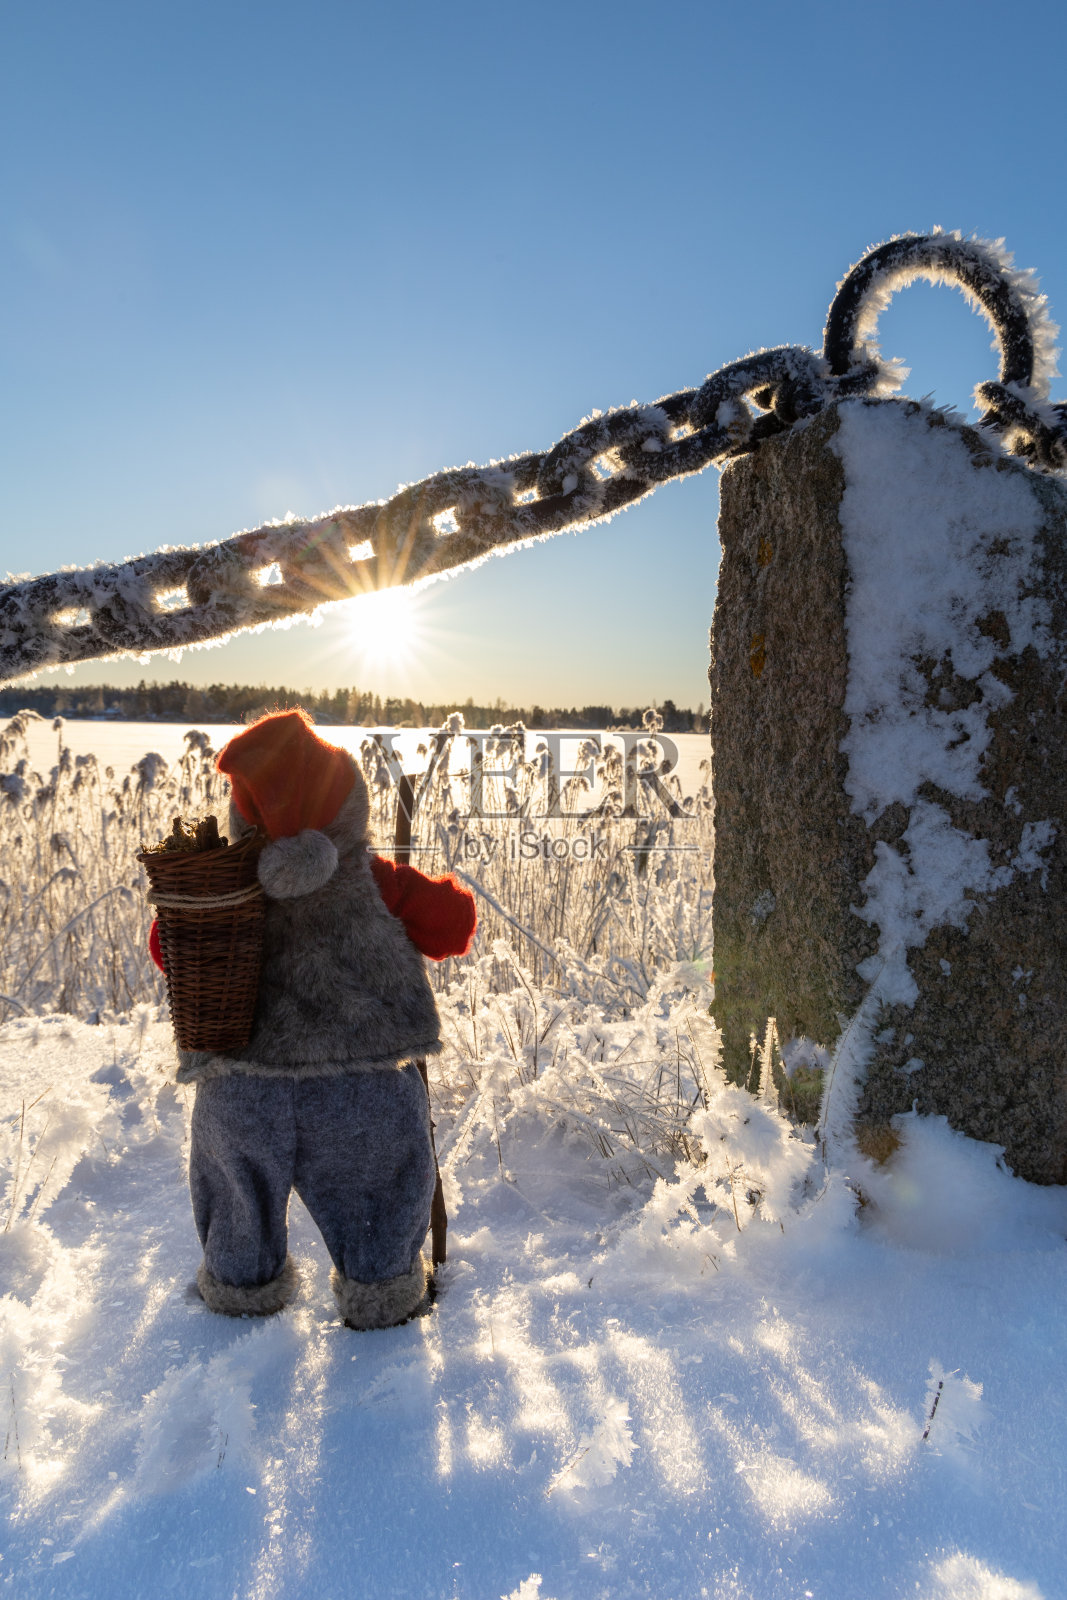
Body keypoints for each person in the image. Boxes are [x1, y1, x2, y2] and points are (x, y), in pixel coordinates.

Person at [150, 710, 476, 1329]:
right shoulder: (379, 881)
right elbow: (455, 926)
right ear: (349, 802)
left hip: (242, 1087)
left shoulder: (224, 891)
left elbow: (167, 948)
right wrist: (425, 889)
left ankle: (238, 1305)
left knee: (237, 1198)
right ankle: (383, 1303)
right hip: (364, 1089)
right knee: (382, 1192)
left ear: (245, 812)